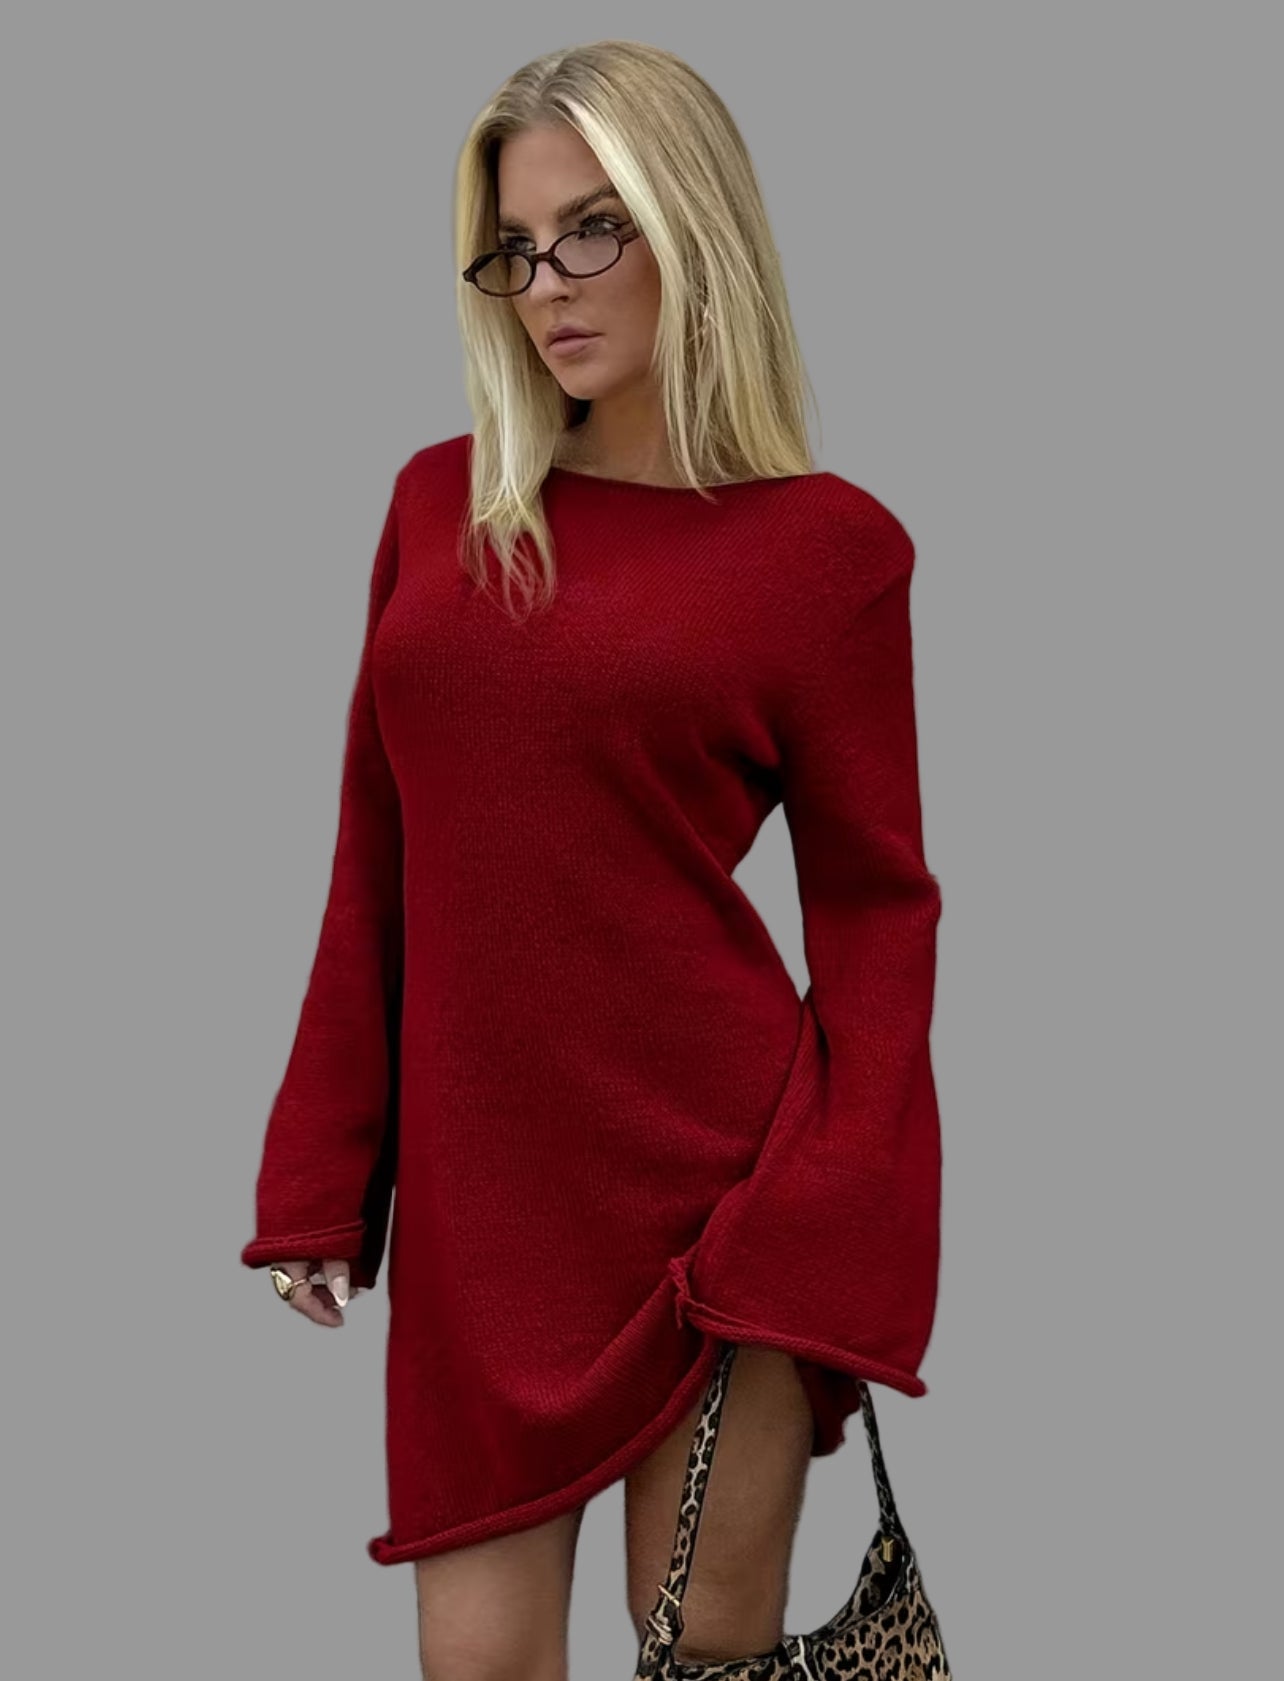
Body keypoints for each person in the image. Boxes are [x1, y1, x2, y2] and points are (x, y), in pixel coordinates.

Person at [240, 37, 944, 1681]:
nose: (545, 284)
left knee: (703, 1655)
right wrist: (319, 1176)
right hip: (484, 1218)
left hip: (724, 1211)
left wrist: (830, 1212)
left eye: (592, 229)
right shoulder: (441, 508)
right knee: (478, 1665)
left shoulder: (827, 553)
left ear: (693, 223)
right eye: (513, 247)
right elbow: (374, 854)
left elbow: (877, 912)